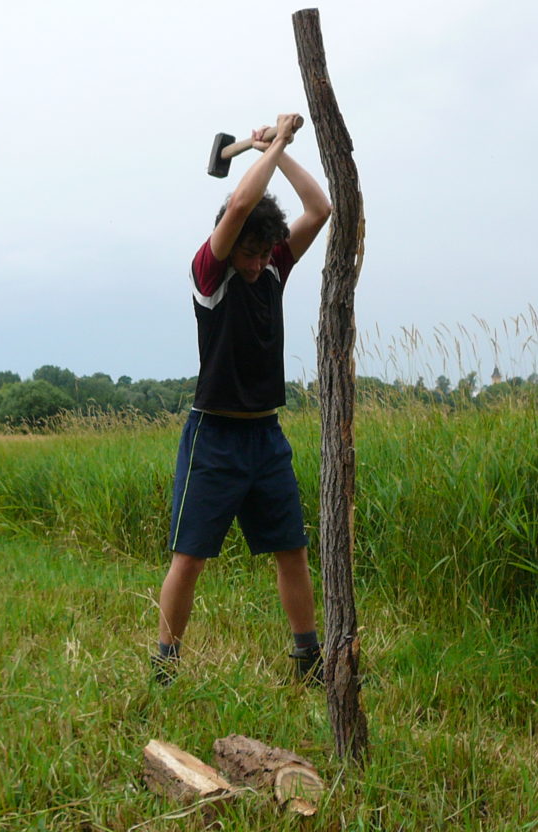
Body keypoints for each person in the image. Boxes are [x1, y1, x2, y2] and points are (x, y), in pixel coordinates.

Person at [152, 113, 332, 687]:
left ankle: (307, 658)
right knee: (191, 557)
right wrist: (273, 140)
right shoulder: (211, 275)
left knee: (292, 549)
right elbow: (235, 210)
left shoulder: (273, 269)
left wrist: (276, 150)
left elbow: (319, 209)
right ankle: (165, 664)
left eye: (263, 254)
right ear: (230, 251)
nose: (256, 264)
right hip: (215, 437)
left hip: (265, 436)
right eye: (249, 254)